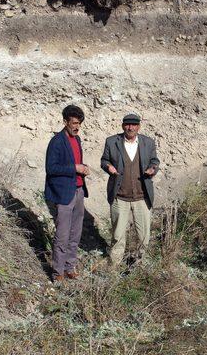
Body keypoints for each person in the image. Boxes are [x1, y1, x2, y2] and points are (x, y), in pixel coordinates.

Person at [100, 113, 160, 266]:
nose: (130, 127)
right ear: (122, 126)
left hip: (142, 197)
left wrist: (153, 169)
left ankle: (140, 266)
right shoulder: (112, 141)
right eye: (127, 124)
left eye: (134, 125)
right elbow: (104, 160)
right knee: (118, 236)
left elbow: (154, 161)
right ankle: (114, 267)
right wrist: (109, 167)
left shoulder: (148, 142)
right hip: (119, 197)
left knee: (144, 236)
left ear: (138, 127)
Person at [44, 105, 90, 282]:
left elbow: (75, 162)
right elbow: (51, 168)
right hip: (64, 194)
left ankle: (70, 266)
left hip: (78, 191)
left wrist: (83, 168)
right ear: (65, 122)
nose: (77, 127)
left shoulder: (77, 140)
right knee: (62, 235)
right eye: (74, 123)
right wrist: (75, 168)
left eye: (79, 124)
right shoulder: (56, 141)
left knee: (75, 232)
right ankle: (58, 272)